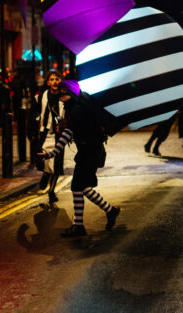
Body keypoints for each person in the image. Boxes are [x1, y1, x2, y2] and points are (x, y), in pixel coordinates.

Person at [39, 83, 120, 237]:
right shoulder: (77, 107)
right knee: (82, 187)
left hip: (90, 152)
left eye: (64, 92)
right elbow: (70, 132)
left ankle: (103, 213)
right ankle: (102, 214)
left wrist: (52, 153)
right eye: (60, 94)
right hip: (89, 151)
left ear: (72, 93)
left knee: (79, 186)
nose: (61, 96)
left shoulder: (77, 110)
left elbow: (68, 133)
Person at [34, 70, 65, 204]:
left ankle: (51, 191)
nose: (54, 82)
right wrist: (32, 133)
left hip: (59, 135)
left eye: (57, 79)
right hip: (45, 134)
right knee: (45, 162)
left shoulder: (65, 97)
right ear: (48, 83)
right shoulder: (41, 97)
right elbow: (34, 115)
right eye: (52, 79)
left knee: (56, 165)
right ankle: (45, 176)